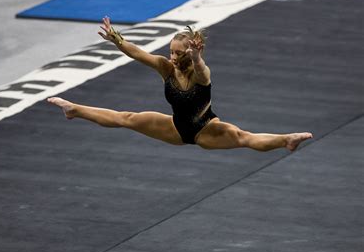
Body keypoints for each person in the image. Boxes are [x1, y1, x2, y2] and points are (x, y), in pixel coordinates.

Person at [47, 16, 312, 152]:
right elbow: (139, 53)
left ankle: (285, 140)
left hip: (205, 129)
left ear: (190, 53)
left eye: (178, 53)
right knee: (126, 117)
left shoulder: (201, 75)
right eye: (171, 51)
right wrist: (117, 39)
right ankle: (74, 110)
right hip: (175, 128)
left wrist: (196, 56)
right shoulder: (166, 68)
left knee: (244, 137)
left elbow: (201, 67)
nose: (172, 57)